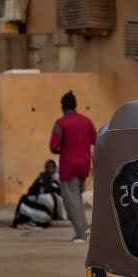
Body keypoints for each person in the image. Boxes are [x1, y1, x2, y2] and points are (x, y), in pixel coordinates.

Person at [49, 90, 97, 243]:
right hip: (84, 166)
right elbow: (95, 140)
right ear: (75, 105)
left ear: (63, 107)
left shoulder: (60, 123)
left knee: (71, 202)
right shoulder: (87, 121)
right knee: (77, 199)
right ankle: (84, 228)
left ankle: (81, 234)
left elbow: (53, 146)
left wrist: (64, 149)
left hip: (68, 167)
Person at [12, 159, 64, 229]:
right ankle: (26, 218)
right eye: (47, 167)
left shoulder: (59, 178)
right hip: (40, 197)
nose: (48, 169)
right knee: (24, 198)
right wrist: (40, 184)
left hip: (54, 201)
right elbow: (31, 190)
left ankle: (41, 219)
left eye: (51, 167)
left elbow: (60, 192)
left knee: (47, 199)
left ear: (55, 168)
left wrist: (48, 187)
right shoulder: (42, 177)